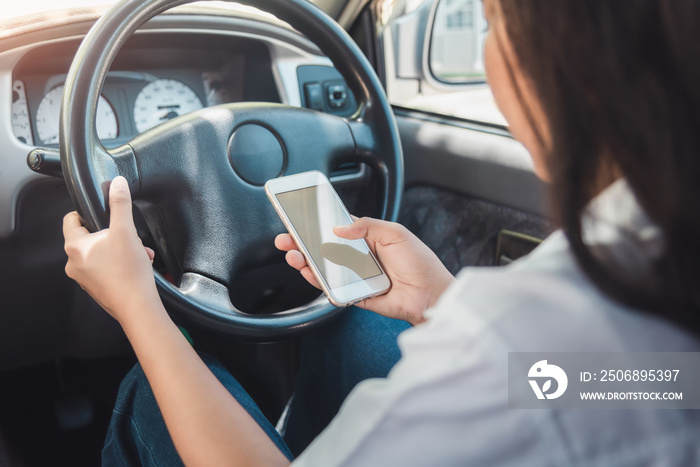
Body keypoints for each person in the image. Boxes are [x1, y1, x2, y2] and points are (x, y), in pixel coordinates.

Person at [62, 0, 700, 465]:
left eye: (492, 24)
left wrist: (141, 309)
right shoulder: (654, 264)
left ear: (561, 68)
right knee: (356, 320)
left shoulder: (519, 326)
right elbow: (643, 381)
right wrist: (441, 302)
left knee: (151, 393)